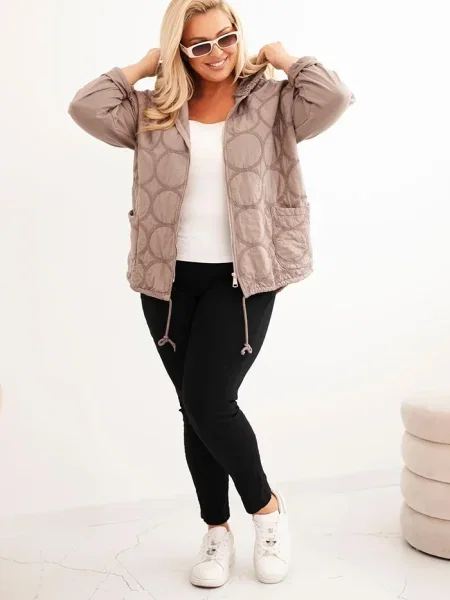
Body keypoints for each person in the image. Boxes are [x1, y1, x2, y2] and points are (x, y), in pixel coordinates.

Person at [68, 0, 355, 588]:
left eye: (225, 37)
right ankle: (216, 530)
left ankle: (267, 512)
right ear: (180, 50)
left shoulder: (272, 102)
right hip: (167, 279)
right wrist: (140, 67)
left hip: (243, 275)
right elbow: (85, 108)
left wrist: (286, 58)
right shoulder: (154, 109)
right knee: (193, 408)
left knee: (208, 400)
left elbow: (333, 98)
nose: (217, 53)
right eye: (199, 45)